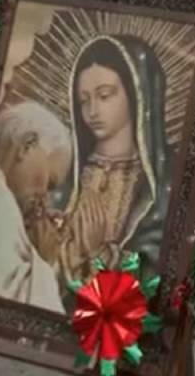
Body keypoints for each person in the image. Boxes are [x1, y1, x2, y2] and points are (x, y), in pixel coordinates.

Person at [59, 35, 173, 286]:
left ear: (136, 94)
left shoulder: (165, 176)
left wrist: (101, 253)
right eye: (84, 100)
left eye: (105, 95)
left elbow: (162, 263)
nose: (93, 111)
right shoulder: (67, 174)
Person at [0, 101, 72, 313]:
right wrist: (43, 258)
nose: (45, 199)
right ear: (27, 145)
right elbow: (13, 314)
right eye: (49, 183)